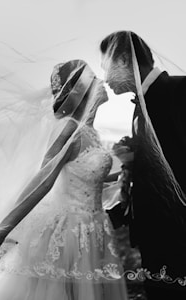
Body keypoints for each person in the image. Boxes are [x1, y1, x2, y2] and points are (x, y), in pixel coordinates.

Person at [0, 60, 128, 299]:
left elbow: (84, 177)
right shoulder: (70, 131)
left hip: (94, 227)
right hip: (69, 231)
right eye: (93, 79)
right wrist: (2, 229)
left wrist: (126, 171)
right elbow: (43, 180)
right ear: (78, 90)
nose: (101, 82)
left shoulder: (91, 132)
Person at [100, 30, 186, 299]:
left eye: (107, 67)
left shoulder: (178, 91)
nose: (105, 78)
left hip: (178, 237)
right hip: (157, 236)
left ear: (124, 60)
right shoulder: (143, 104)